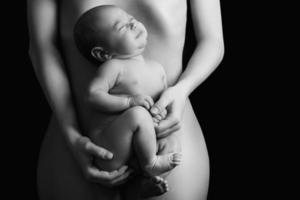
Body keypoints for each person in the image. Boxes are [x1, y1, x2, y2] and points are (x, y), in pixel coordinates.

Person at [27, 0, 224, 199]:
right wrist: (73, 136)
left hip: (169, 133)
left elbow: (212, 41)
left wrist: (182, 90)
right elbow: (42, 49)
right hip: (84, 143)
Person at [73, 5, 182, 190]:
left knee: (170, 140)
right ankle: (151, 164)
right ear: (103, 53)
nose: (133, 24)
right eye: (122, 26)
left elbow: (161, 104)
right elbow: (92, 95)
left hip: (142, 143)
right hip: (111, 145)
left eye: (131, 19)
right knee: (138, 114)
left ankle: (145, 183)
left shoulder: (156, 68)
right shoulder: (114, 66)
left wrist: (159, 116)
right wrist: (129, 102)